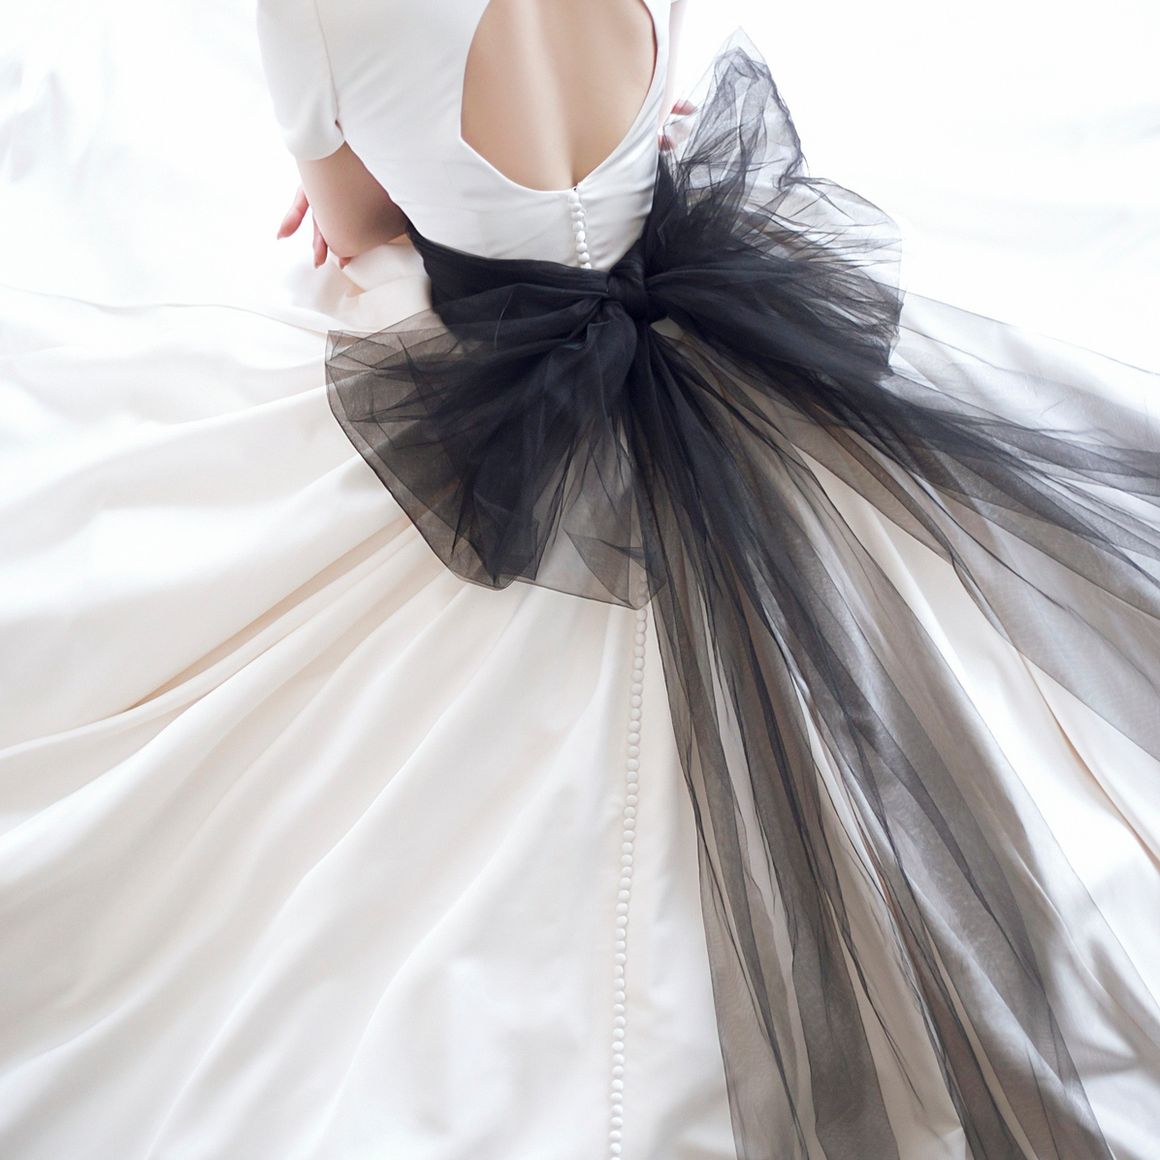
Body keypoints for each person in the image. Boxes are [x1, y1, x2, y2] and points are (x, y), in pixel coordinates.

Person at [2, 2, 1159, 1158]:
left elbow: (353, 230)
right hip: (695, 318)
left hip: (492, 374)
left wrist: (395, 170)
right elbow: (642, 121)